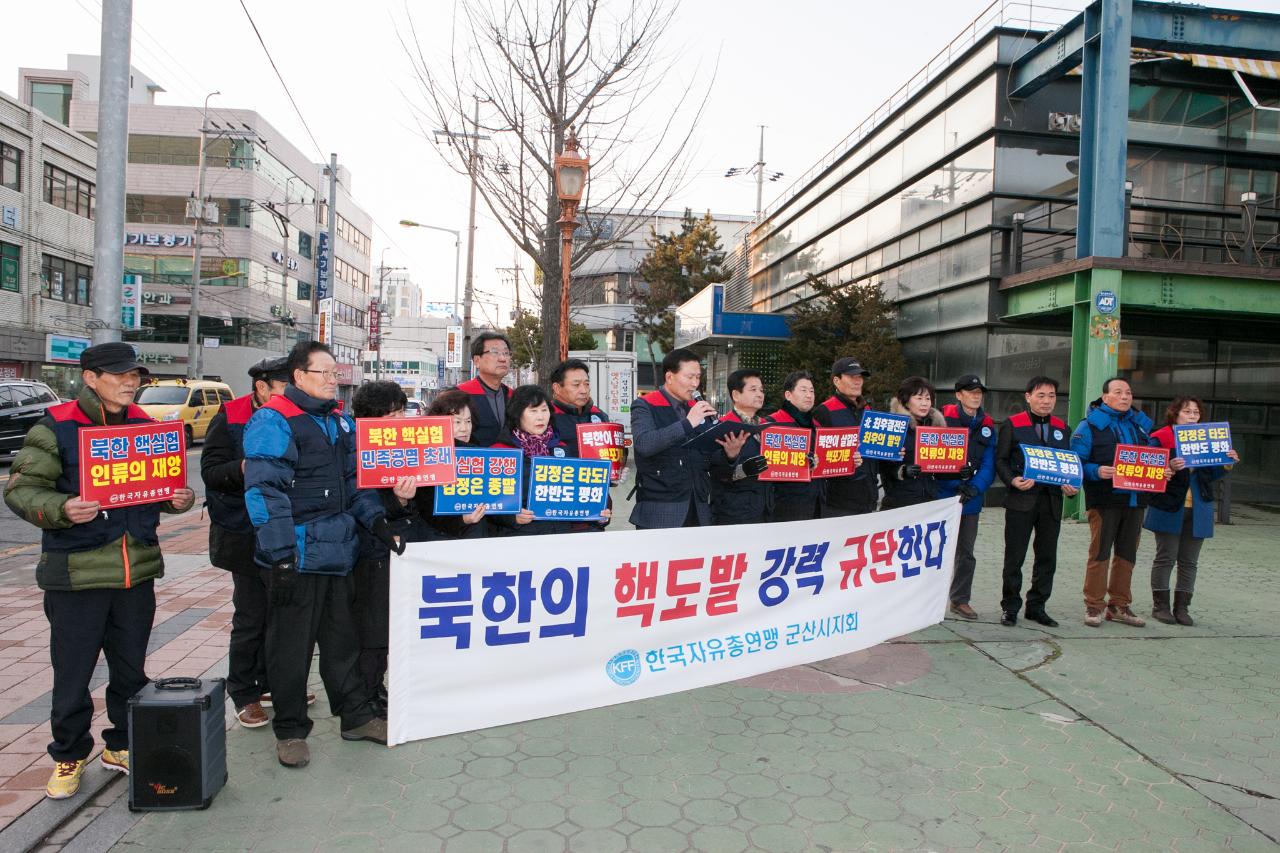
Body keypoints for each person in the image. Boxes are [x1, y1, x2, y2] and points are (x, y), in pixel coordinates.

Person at [3, 342, 196, 799]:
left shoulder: (147, 428)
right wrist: (63, 507)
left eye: (136, 375)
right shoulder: (57, 427)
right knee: (73, 673)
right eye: (119, 375)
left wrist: (175, 499)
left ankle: (122, 745)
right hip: (77, 576)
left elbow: (158, 489)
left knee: (130, 672)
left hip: (137, 571)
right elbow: (21, 490)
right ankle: (68, 755)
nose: (131, 382)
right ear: (90, 378)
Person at [243, 341, 404, 768]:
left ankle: (356, 717)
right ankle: (291, 730)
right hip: (295, 554)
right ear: (299, 376)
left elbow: (357, 484)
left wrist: (378, 523)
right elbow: (263, 491)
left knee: (342, 643)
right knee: (290, 649)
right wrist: (279, 553)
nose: (335, 379)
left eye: (335, 373)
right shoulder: (273, 420)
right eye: (326, 373)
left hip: (339, 552)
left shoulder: (340, 423)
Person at [201, 356, 313, 730]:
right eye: (285, 387)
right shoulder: (230, 416)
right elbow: (212, 473)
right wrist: (245, 468)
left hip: (287, 532)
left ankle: (276, 684)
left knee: (283, 612)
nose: (292, 394)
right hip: (244, 533)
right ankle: (244, 692)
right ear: (262, 387)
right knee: (251, 615)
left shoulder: (300, 414)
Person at [349, 380, 431, 712]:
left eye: (401, 412)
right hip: (367, 551)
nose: (399, 421)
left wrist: (402, 502)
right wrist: (394, 505)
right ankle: (364, 698)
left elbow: (404, 505)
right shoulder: (354, 449)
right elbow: (362, 502)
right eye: (392, 414)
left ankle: (375, 689)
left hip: (392, 547)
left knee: (387, 627)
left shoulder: (403, 449)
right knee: (371, 630)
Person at [1071, 376, 1158, 629]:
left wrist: (1160, 471)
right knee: (1100, 552)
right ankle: (1094, 605)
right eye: (1118, 392)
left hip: (1136, 500)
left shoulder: (1141, 426)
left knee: (1127, 553)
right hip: (1105, 499)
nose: (1124, 397)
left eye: (1128, 393)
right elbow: (1076, 462)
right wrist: (1097, 471)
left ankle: (1119, 605)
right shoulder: (1089, 426)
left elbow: (1152, 458)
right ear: (1105, 396)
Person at [1144, 396, 1238, 626]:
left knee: (1189, 561)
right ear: (1175, 414)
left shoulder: (1207, 441)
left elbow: (1209, 476)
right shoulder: (1161, 438)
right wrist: (1168, 466)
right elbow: (1147, 467)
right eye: (1187, 412)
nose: (1192, 416)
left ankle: (1182, 607)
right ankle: (1161, 606)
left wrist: (1226, 463)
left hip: (1199, 508)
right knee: (1166, 557)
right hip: (1168, 506)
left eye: (1196, 413)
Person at [995, 376, 1076, 628]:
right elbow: (1001, 460)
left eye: (1051, 396)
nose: (1046, 401)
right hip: (1021, 500)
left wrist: (1072, 486)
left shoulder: (1063, 429)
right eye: (1041, 395)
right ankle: (1010, 607)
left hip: (1051, 502)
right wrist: (1012, 481)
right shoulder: (1013, 424)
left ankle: (1037, 606)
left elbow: (1069, 464)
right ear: (1028, 397)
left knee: (1047, 557)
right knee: (1014, 556)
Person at [490, 384, 611, 536]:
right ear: (517, 414)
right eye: (533, 411)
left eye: (544, 410)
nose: (540, 417)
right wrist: (511, 517)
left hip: (560, 537)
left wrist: (598, 515)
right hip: (519, 539)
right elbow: (487, 503)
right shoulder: (500, 452)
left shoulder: (561, 448)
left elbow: (578, 493)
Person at [629, 349, 717, 529]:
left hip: (698, 507)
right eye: (689, 377)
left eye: (698, 377)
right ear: (670, 377)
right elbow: (644, 444)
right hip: (660, 508)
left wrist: (730, 451)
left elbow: (710, 455)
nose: (695, 384)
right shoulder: (645, 405)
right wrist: (688, 423)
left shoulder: (697, 408)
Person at [935, 375, 997, 621]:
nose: (976, 395)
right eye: (970, 391)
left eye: (979, 391)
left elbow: (989, 463)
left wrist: (974, 487)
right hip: (942, 496)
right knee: (936, 552)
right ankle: (930, 601)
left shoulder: (987, 424)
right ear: (958, 395)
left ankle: (960, 600)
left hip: (971, 499)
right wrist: (954, 483)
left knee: (966, 552)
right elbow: (933, 456)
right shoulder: (942, 418)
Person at [881, 377, 975, 511]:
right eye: (919, 398)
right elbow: (880, 466)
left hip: (929, 502)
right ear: (906, 401)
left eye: (928, 398)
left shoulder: (937, 429)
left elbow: (939, 470)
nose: (924, 403)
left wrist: (960, 472)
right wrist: (902, 471)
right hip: (899, 503)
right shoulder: (893, 427)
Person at [414, 389, 488, 540]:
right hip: (440, 543)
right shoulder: (428, 456)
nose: (464, 428)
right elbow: (426, 513)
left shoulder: (478, 452)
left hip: (477, 538)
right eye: (457, 422)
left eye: (468, 421)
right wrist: (462, 520)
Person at [813, 357, 873, 516]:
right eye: (852, 377)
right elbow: (817, 457)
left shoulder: (868, 410)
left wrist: (894, 451)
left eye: (860, 377)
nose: (858, 381)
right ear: (836, 380)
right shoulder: (824, 411)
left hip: (869, 498)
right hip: (838, 503)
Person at [710, 368, 770, 525]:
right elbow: (716, 474)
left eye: (761, 390)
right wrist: (737, 464)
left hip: (766, 509)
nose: (760, 394)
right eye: (753, 389)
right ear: (736, 395)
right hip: (734, 513)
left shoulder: (768, 428)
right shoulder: (723, 427)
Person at [764, 371, 825, 522]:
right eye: (803, 390)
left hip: (815, 505)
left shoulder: (816, 426)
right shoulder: (771, 424)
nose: (809, 395)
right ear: (788, 395)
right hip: (783, 508)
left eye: (812, 391)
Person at [455, 331, 514, 447]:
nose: (503, 358)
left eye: (506, 353)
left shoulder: (515, 397)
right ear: (477, 361)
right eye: (495, 352)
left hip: (509, 463)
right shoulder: (459, 395)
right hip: (471, 461)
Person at [548, 358, 611, 458]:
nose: (584, 390)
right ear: (557, 388)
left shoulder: (599, 414)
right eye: (576, 385)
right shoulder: (546, 416)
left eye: (587, 384)